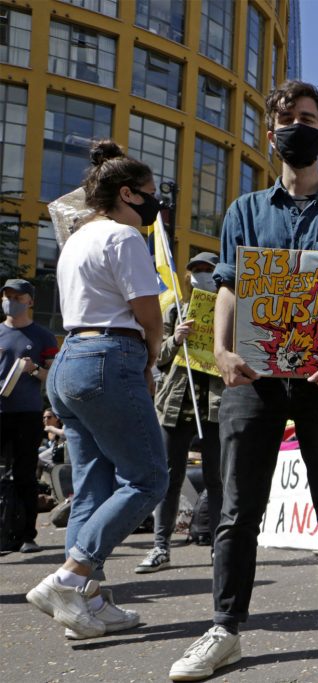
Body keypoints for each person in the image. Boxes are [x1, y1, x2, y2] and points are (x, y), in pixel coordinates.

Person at [169, 80, 318, 681]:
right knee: (237, 510)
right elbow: (229, 287)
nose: (297, 127)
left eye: (307, 118)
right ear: (272, 134)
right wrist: (225, 352)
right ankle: (224, 629)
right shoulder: (244, 212)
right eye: (287, 118)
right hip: (253, 380)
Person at [25, 141, 168, 639]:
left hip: (71, 361)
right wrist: (151, 356)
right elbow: (148, 313)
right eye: (152, 195)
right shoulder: (125, 238)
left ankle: (84, 603)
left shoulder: (78, 239)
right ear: (127, 193)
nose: (157, 205)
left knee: (92, 485)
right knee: (148, 477)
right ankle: (70, 578)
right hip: (111, 358)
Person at [136, 252, 224, 573]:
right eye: (196, 270)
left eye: (208, 270)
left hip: (215, 408)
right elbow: (157, 358)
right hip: (177, 405)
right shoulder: (176, 311)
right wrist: (176, 338)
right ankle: (161, 547)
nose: (201, 275)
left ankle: (219, 547)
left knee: (216, 480)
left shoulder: (231, 314)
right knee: (169, 480)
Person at [1, 278, 59, 553]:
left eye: (18, 296)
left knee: (25, 473)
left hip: (27, 412)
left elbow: (52, 375)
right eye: (7, 295)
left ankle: (27, 535)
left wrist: (33, 369)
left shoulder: (44, 337)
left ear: (30, 301)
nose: (11, 301)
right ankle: (3, 532)